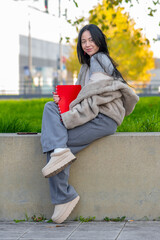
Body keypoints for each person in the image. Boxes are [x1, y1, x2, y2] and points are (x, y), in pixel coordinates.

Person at [41, 24, 139, 224]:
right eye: (83, 41)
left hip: (103, 118)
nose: (87, 45)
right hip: (93, 116)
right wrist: (63, 101)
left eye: (91, 40)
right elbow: (82, 97)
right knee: (51, 109)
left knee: (56, 143)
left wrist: (70, 116)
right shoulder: (86, 67)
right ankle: (60, 156)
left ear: (99, 40)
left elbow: (95, 101)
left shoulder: (98, 59)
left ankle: (64, 196)